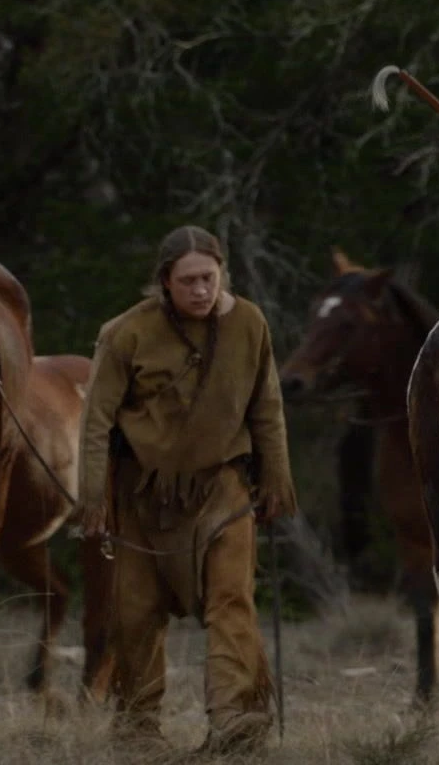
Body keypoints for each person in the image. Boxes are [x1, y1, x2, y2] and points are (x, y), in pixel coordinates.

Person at [78, 225, 297, 753]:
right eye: (188, 281)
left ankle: (235, 721)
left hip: (222, 489)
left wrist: (276, 479)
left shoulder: (249, 323)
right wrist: (92, 498)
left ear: (222, 274)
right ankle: (138, 729)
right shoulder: (126, 332)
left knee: (231, 603)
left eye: (208, 278)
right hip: (143, 496)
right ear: (164, 281)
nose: (200, 290)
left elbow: (267, 406)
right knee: (135, 614)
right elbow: (96, 421)